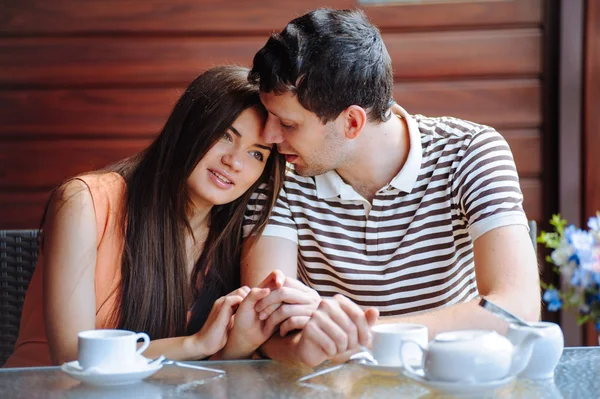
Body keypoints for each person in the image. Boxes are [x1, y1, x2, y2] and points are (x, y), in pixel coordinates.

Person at [240, 8, 541, 367]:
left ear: (352, 122)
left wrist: (359, 335)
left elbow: (516, 310)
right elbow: (264, 324)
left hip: (452, 380)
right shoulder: (277, 171)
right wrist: (301, 348)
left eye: (288, 124)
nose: (269, 137)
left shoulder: (471, 152)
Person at [4, 65, 287, 368]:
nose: (234, 162)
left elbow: (216, 368)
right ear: (188, 127)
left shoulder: (234, 236)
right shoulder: (84, 202)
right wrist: (195, 344)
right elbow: (73, 358)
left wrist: (237, 343)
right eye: (225, 136)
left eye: (257, 154)